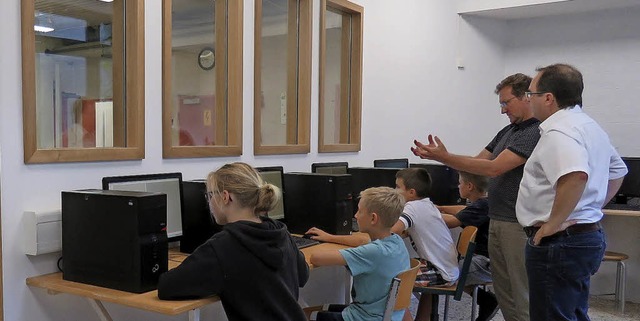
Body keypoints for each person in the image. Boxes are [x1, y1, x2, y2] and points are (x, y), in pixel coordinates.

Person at [411, 73, 540, 321]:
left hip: (517, 224)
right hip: (499, 220)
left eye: (506, 103)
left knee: (520, 295)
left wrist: (444, 158)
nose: (503, 110)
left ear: (526, 97)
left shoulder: (533, 132)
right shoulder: (508, 131)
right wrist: (442, 156)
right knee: (505, 296)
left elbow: (494, 168)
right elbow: (478, 163)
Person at [517, 64, 628, 321]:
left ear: (548, 98)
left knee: (552, 316)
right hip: (583, 235)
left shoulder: (559, 131)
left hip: (560, 241)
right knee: (573, 313)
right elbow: (618, 170)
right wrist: (591, 206)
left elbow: (576, 175)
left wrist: (552, 224)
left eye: (530, 94)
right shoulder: (588, 125)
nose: (528, 100)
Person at [157, 162, 309, 321]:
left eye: (209, 195)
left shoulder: (222, 246)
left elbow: (167, 286)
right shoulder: (280, 232)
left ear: (225, 197)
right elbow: (302, 275)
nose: (208, 202)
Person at [306, 186, 410, 321]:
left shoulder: (373, 252)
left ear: (373, 218)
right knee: (318, 308)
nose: (355, 215)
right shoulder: (396, 241)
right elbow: (363, 241)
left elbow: (316, 258)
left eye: (359, 211)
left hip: (364, 317)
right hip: (387, 314)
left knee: (304, 313)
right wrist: (329, 237)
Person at [438, 171, 498, 321]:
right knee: (444, 269)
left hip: (484, 263)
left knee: (441, 275)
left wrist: (422, 213)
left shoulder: (482, 205)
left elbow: (452, 222)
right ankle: (485, 300)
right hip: (481, 259)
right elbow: (461, 210)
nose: (458, 186)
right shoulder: (484, 202)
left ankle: (488, 301)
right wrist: (440, 208)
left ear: (469, 186)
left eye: (460, 183)